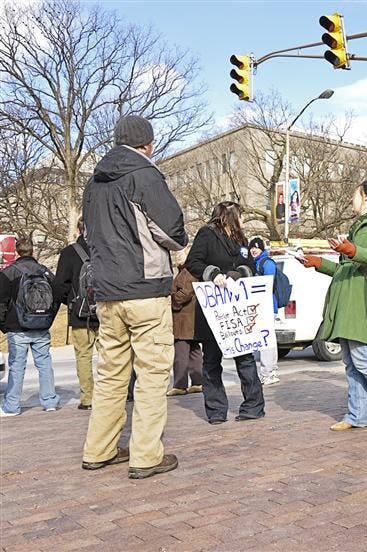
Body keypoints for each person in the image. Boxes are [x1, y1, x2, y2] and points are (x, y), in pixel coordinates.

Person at [81, 114, 187, 479]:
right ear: (148, 144)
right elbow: (172, 231)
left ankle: (99, 449)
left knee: (110, 374)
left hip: (107, 292)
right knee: (153, 374)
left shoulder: (93, 183)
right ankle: (145, 456)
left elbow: (89, 235)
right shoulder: (145, 174)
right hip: (144, 290)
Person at [297, 181, 367, 431]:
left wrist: (352, 249)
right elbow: (344, 270)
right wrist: (319, 263)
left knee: (363, 358)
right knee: (350, 360)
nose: (351, 200)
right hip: (347, 299)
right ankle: (357, 415)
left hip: (360, 300)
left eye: (355, 195)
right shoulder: (358, 226)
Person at [185, 201, 265, 424]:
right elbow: (193, 262)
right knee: (211, 360)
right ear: (228, 216)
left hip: (237, 311)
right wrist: (213, 274)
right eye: (240, 216)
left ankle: (253, 406)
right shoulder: (206, 234)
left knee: (246, 359)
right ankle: (216, 410)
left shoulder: (241, 240)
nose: (243, 220)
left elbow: (250, 265)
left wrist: (240, 273)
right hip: (214, 311)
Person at [0, 237, 60, 416]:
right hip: (41, 326)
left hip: (16, 326)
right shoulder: (45, 272)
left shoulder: (8, 273)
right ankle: (49, 401)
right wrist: (48, 318)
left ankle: (12, 406)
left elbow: (1, 302)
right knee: (44, 364)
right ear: (32, 250)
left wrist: (4, 325)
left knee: (17, 366)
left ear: (17, 251)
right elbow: (57, 295)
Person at [53, 218, 99, 410]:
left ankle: (88, 398)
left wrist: (72, 301)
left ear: (79, 230)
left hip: (80, 315)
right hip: (107, 311)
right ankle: (113, 397)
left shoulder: (69, 253)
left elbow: (59, 286)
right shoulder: (105, 249)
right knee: (112, 357)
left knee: (83, 356)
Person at [168, 247, 203, 396]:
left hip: (184, 318)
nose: (176, 256)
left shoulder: (187, 271)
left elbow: (185, 293)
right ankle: (197, 381)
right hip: (191, 319)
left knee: (181, 353)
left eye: (179, 254)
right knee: (194, 351)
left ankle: (180, 385)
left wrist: (172, 300)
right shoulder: (187, 271)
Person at [249, 237, 279, 386]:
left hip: (266, 306)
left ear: (261, 248)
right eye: (251, 248)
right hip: (264, 306)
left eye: (256, 247)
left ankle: (267, 373)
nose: (253, 250)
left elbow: (268, 284)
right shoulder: (258, 263)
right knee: (269, 340)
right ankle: (271, 371)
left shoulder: (266, 263)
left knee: (265, 340)